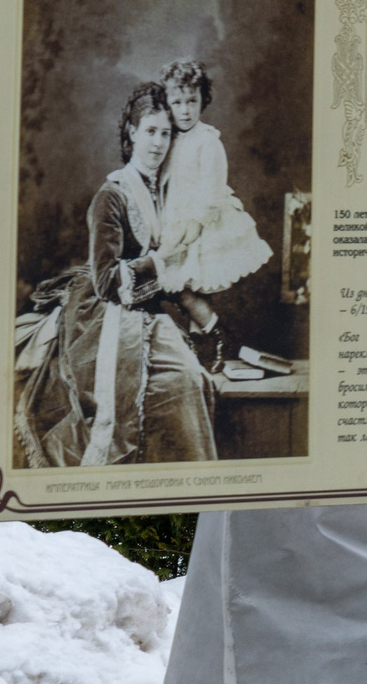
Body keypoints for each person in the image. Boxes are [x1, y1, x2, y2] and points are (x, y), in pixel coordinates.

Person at [14, 83, 219, 468]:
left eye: (167, 133)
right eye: (150, 132)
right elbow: (108, 281)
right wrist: (162, 261)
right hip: (104, 315)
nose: (159, 143)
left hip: (145, 315)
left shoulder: (162, 191)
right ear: (131, 133)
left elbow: (168, 268)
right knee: (182, 385)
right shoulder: (112, 195)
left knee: (195, 380)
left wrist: (194, 303)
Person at [153, 58, 272, 370]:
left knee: (186, 288)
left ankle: (216, 338)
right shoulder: (168, 137)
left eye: (192, 101)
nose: (185, 110)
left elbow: (212, 189)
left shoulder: (207, 140)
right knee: (179, 289)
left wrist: (195, 224)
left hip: (204, 221)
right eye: (177, 102)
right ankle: (204, 343)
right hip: (175, 219)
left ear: (202, 100)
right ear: (166, 103)